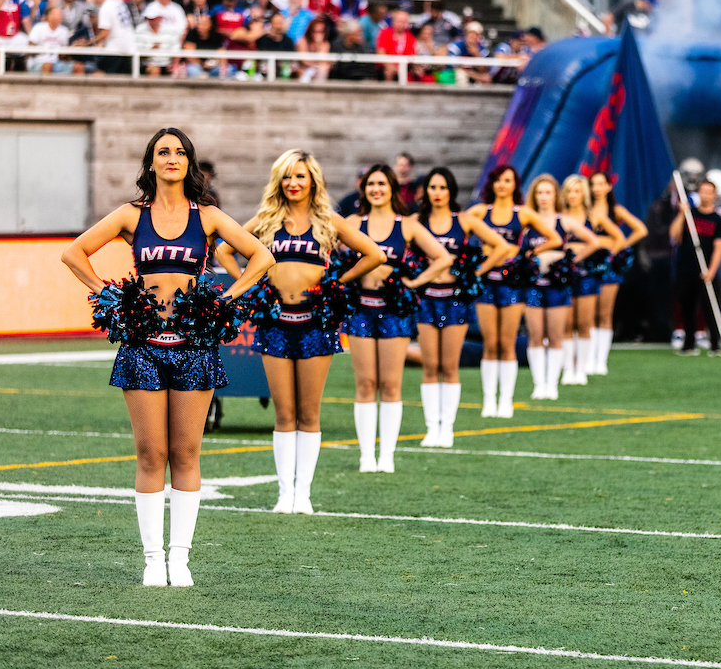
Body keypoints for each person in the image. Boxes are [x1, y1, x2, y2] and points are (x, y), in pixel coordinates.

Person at [61, 128, 272, 587]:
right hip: (143, 345)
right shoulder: (130, 216)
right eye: (163, 152)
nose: (172, 158)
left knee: (187, 452)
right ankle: (153, 559)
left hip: (194, 345)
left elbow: (261, 257)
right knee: (151, 453)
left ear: (189, 163)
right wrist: (108, 294)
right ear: (151, 163)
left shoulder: (209, 216)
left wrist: (226, 299)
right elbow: (72, 254)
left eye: (180, 152)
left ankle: (181, 559)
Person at [219, 150, 384, 512]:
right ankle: (284, 494)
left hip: (315, 324)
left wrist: (337, 282)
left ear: (313, 181)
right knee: (284, 413)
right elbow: (223, 251)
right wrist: (252, 285)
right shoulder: (265, 219)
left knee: (309, 413)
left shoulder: (328, 220)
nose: (294, 183)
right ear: (279, 181)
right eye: (288, 177)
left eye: (301, 176)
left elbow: (374, 254)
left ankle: (303, 494)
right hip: (275, 322)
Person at [344, 164, 450, 472]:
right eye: (371, 184)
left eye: (382, 184)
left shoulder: (407, 226)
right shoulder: (352, 222)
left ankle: (386, 455)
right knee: (365, 383)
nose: (376, 189)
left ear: (392, 188)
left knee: (390, 384)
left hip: (394, 313)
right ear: (364, 189)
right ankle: (366, 456)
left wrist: (415, 283)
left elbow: (443, 257)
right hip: (361, 309)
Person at [412, 167, 511, 443]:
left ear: (451, 191)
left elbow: (501, 246)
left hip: (455, 300)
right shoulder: (415, 222)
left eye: (443, 188)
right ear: (426, 192)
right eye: (433, 187)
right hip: (426, 300)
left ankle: (448, 429)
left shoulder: (464, 220)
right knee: (430, 366)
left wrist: (475, 273)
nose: (437, 193)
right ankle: (432, 428)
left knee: (450, 366)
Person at [465, 165, 560, 417]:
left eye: (507, 180)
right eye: (497, 180)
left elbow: (554, 239)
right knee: (490, 343)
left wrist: (527, 253)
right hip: (486, 281)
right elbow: (459, 232)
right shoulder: (478, 211)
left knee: (507, 343)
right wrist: (471, 258)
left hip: (512, 283)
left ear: (514, 184)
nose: (502, 185)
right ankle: (488, 400)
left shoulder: (523, 213)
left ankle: (505, 400)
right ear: (491, 184)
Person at [523, 174, 599, 399]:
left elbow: (593, 241)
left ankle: (552, 384)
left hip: (557, 285)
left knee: (556, 335)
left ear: (555, 195)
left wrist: (571, 261)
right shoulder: (527, 223)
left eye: (548, 192)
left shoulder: (563, 221)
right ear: (534, 196)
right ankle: (539, 384)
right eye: (539, 193)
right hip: (533, 285)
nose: (543, 197)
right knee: (536, 335)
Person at [559, 174, 623, 385]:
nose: (573, 195)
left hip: (588, 275)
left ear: (583, 194)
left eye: (577, 191)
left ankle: (582, 368)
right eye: (569, 191)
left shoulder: (594, 216)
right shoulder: (560, 217)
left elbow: (618, 238)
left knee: (584, 322)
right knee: (567, 323)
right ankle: (568, 368)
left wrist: (601, 256)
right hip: (564, 276)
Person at [587, 172, 647, 375]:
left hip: (608, 267)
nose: (596, 188)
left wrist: (617, 248)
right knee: (588, 313)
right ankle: (587, 357)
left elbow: (640, 230)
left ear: (608, 187)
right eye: (593, 184)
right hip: (587, 265)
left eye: (600, 184)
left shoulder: (615, 210)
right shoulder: (585, 211)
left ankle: (600, 360)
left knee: (604, 313)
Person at [670, 177, 721, 356]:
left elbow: (719, 247)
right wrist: (682, 213)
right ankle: (689, 344)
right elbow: (674, 236)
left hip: (706, 270)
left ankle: (715, 345)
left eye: (709, 192)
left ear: (714, 195)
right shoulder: (689, 215)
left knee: (710, 307)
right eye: (702, 191)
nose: (705, 195)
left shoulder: (718, 220)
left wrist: (711, 270)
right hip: (686, 268)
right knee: (687, 307)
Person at [89, 0, 136, 75]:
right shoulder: (117, 2)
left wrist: (88, 43)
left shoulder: (105, 8)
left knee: (99, 72)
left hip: (116, 48)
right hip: (130, 46)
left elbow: (104, 35)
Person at [135, 3, 182, 76]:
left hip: (166, 64)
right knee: (154, 69)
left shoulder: (170, 30)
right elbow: (138, 53)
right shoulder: (140, 30)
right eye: (149, 18)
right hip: (147, 64)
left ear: (160, 18)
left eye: (154, 18)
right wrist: (151, 49)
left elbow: (176, 49)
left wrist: (173, 65)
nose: (151, 21)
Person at [26, 5, 71, 74]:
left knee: (78, 66)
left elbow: (63, 54)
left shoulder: (64, 31)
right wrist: (45, 50)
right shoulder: (38, 27)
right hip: (38, 62)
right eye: (58, 14)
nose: (60, 16)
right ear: (49, 16)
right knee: (48, 65)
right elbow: (30, 49)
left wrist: (74, 47)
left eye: (61, 14)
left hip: (56, 63)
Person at [376, 7, 415, 80]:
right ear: (394, 21)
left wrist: (401, 67)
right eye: (400, 21)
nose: (402, 24)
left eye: (404, 21)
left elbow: (411, 55)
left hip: (404, 67)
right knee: (388, 72)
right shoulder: (384, 33)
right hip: (387, 67)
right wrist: (390, 66)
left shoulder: (410, 37)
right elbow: (381, 52)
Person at [182, 14, 225, 78]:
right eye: (199, 23)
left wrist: (213, 63)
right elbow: (190, 56)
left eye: (204, 23)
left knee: (228, 70)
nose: (201, 26)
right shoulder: (192, 34)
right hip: (196, 65)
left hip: (213, 65)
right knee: (193, 70)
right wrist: (202, 65)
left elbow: (222, 54)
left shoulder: (217, 36)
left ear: (210, 25)